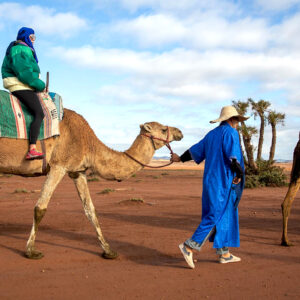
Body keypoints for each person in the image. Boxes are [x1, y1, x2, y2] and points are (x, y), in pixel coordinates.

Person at [171, 106, 249, 269]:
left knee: (224, 214)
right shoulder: (231, 133)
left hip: (210, 182)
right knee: (215, 215)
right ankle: (189, 246)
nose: (237, 124)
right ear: (232, 119)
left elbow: (194, 151)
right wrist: (239, 175)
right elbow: (233, 158)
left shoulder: (212, 134)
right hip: (223, 182)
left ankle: (224, 254)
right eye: (236, 120)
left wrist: (179, 159)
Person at [1, 27, 46, 160]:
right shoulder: (21, 48)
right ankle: (32, 148)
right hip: (20, 85)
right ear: (26, 37)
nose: (33, 40)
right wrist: (40, 85)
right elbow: (24, 73)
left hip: (21, 84)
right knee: (39, 113)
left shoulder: (20, 48)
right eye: (32, 37)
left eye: (34, 38)